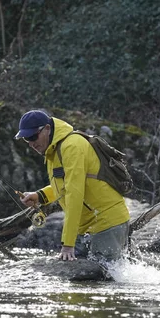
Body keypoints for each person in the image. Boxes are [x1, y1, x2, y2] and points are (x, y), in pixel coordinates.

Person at [15, 110, 130, 262]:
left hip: (106, 224)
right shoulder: (54, 150)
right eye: (26, 139)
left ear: (47, 129)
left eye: (32, 137)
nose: (30, 143)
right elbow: (65, 186)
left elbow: (74, 194)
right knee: (81, 280)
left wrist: (68, 244)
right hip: (87, 227)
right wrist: (39, 196)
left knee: (102, 280)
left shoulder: (71, 146)